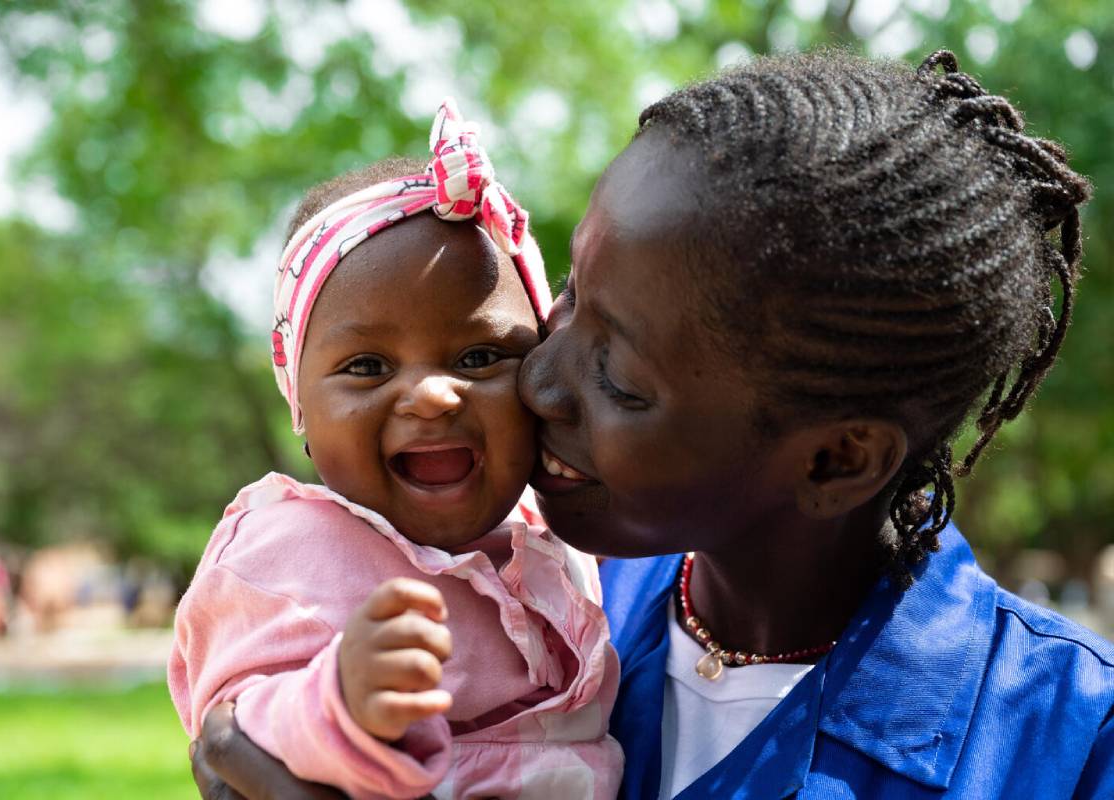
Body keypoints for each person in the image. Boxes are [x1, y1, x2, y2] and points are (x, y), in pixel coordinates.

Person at [189, 50, 1114, 798]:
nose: (538, 380)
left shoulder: (1066, 749)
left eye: (620, 379)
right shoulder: (553, 596)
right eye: (569, 297)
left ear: (836, 458)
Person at [170, 99, 623, 800]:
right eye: (368, 367)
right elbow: (238, 721)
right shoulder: (281, 551)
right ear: (301, 405)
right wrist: (339, 699)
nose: (434, 396)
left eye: (479, 356)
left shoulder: (562, 537)